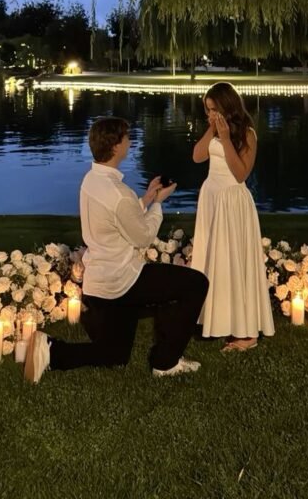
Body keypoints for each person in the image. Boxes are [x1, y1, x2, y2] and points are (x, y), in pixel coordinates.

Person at [24, 116, 208, 383]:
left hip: (100, 284)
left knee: (114, 355)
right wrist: (158, 205)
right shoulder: (119, 193)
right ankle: (166, 362)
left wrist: (145, 199)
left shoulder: (91, 180)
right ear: (115, 147)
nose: (130, 142)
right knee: (195, 284)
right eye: (127, 138)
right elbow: (143, 237)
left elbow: (118, 216)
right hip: (123, 280)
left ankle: (50, 351)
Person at [190, 82, 274, 351]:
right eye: (207, 110)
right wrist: (212, 129)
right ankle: (215, 318)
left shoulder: (247, 134)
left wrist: (226, 140)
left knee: (233, 259)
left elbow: (240, 174)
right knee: (212, 258)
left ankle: (246, 331)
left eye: (213, 109)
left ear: (227, 107)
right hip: (212, 198)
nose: (209, 114)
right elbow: (197, 156)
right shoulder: (214, 129)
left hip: (232, 201)